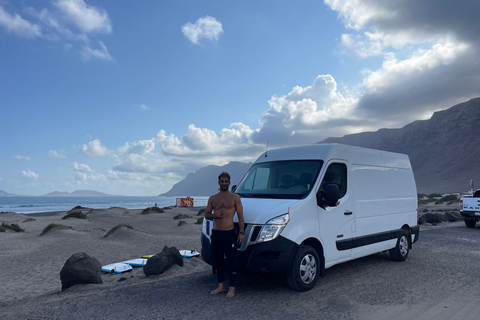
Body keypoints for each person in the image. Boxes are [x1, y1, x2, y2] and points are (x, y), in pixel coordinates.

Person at [205, 171, 245, 298]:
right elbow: (206, 215)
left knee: (232, 261)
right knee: (218, 261)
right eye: (222, 181)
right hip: (216, 233)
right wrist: (213, 215)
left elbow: (240, 215)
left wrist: (242, 232)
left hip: (229, 233)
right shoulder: (213, 198)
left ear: (229, 182)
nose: (224, 183)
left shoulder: (234, 198)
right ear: (219, 182)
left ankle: (232, 288)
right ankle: (221, 286)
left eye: (226, 181)